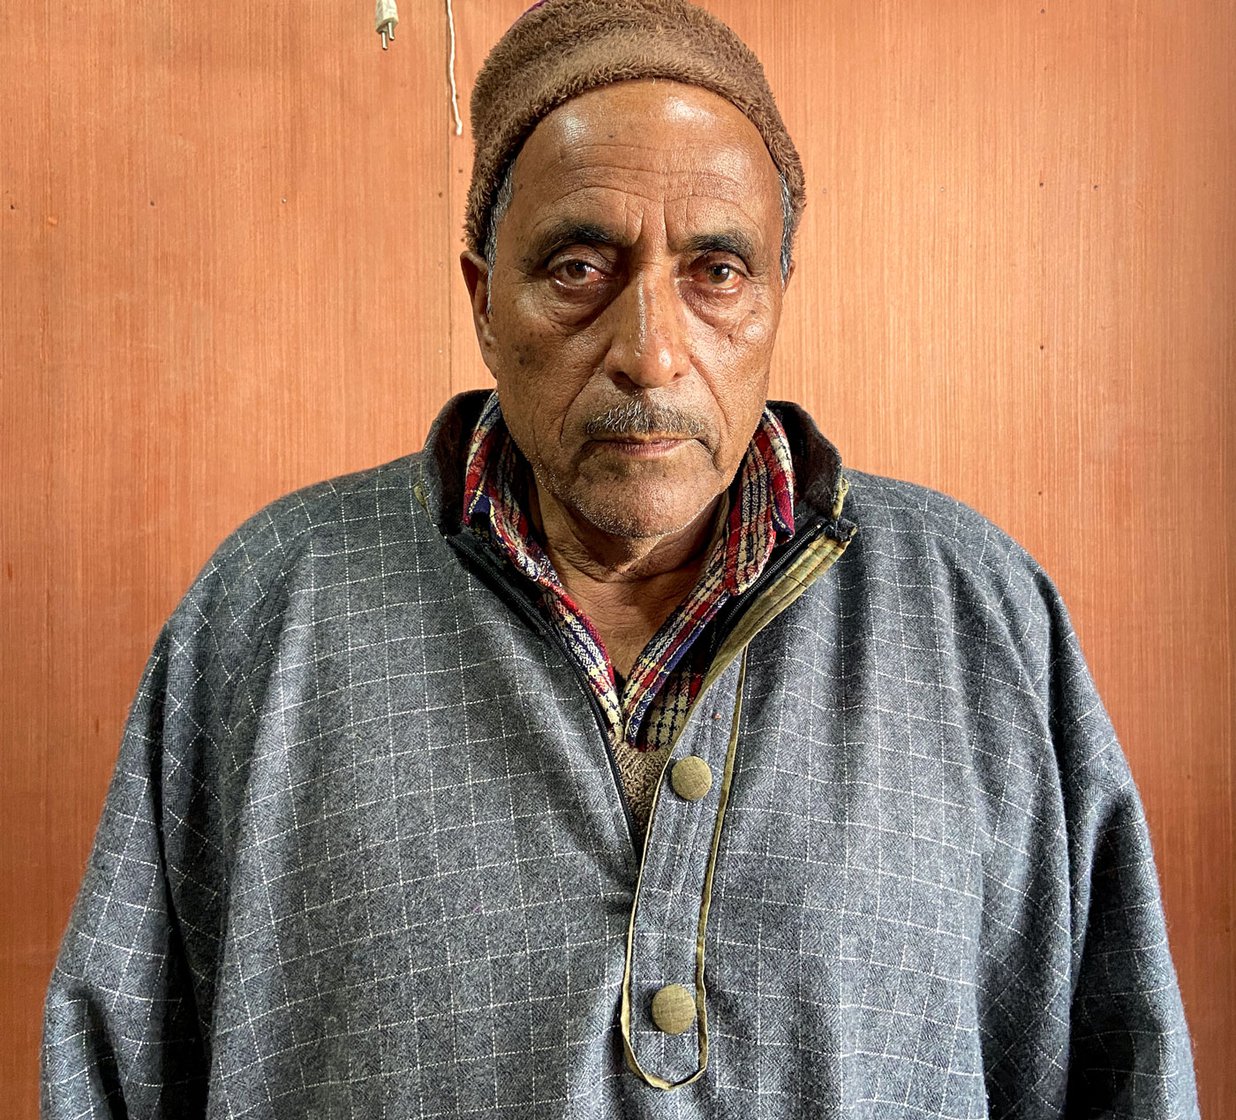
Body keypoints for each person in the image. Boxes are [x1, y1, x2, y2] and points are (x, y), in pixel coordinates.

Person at [42, 1, 1199, 1116]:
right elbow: (112, 1069)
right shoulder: (266, 612)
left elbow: (1125, 1069)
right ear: (484, 302)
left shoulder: (979, 618)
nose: (652, 352)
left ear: (778, 298)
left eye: (717, 272)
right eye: (580, 270)